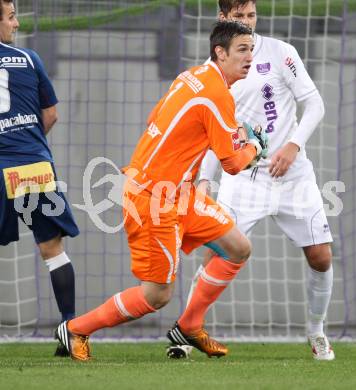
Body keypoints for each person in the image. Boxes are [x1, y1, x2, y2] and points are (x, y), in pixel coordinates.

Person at [55, 20, 268, 361]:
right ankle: (76, 328)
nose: (249, 58)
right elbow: (233, 163)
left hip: (177, 192)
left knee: (237, 247)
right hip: (152, 198)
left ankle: (189, 325)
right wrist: (255, 147)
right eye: (242, 50)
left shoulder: (192, 76)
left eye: (251, 50)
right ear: (220, 52)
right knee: (157, 295)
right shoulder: (216, 94)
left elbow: (158, 118)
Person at [168, 0, 335, 361]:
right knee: (218, 253)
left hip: (293, 175)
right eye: (239, 17)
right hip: (243, 178)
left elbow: (315, 104)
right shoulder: (213, 72)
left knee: (321, 257)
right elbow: (216, 136)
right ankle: (186, 329)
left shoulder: (280, 52)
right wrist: (203, 181)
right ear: (222, 18)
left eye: (251, 15)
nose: (248, 23)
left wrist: (292, 145)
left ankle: (317, 332)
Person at [0, 0, 79, 356]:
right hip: (30, 163)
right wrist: (26, 142)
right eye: (12, 16)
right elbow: (50, 114)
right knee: (52, 249)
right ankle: (70, 329)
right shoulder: (30, 60)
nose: (16, 24)